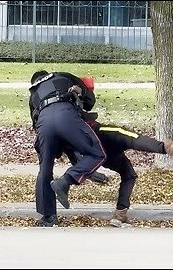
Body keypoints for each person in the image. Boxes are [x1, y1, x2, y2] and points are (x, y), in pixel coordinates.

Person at [59, 76, 173, 227]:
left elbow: (74, 157)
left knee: (128, 174)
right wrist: (77, 89)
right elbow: (84, 88)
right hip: (100, 134)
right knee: (128, 136)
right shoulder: (65, 102)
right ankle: (170, 148)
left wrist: (92, 174)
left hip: (97, 152)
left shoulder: (57, 121)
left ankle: (120, 215)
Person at [29, 70, 107, 227]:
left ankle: (48, 217)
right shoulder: (63, 76)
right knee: (97, 154)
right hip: (66, 114)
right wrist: (81, 92)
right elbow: (90, 101)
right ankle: (66, 180)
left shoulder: (34, 94)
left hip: (44, 124)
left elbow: (35, 123)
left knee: (45, 169)